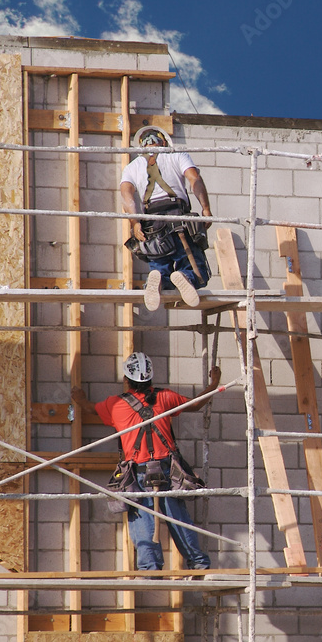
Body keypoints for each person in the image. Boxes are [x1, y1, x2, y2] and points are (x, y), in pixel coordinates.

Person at [71, 352, 221, 571]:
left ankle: (150, 570)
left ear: (126, 379)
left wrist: (80, 398)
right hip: (166, 470)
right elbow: (196, 404)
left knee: (142, 522)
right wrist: (214, 383)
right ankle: (198, 564)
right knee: (177, 518)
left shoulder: (115, 405)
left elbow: (90, 409)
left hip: (137, 472)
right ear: (150, 377)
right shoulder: (165, 397)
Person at [121, 125, 214, 311]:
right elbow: (194, 179)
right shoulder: (177, 155)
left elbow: (126, 194)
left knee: (159, 264)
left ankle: (157, 279)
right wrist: (206, 209)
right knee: (195, 268)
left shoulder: (132, 167)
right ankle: (186, 276)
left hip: (151, 222)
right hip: (178, 218)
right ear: (163, 141)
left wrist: (135, 221)